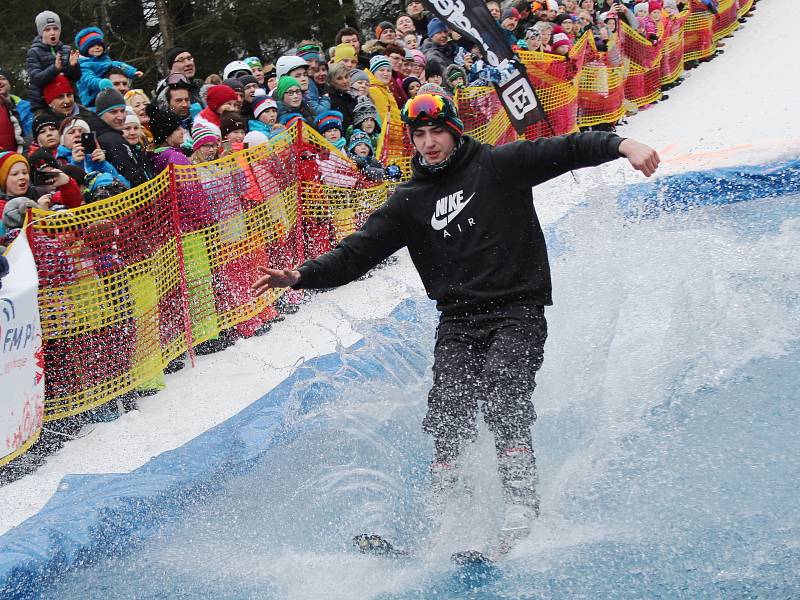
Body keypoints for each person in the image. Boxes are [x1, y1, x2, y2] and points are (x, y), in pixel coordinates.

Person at [251, 92, 660, 539]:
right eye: (420, 135)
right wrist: (298, 275)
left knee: (504, 392)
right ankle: (447, 514)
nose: (429, 143)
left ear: (454, 130)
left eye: (437, 132)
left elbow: (568, 148)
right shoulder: (409, 201)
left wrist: (622, 145)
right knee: (449, 409)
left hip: (517, 309)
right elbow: (355, 255)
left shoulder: (497, 165)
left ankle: (521, 505)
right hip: (458, 321)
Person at [26, 11, 82, 112]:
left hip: (70, 101)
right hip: (43, 104)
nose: (52, 32)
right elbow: (36, 79)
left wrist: (73, 66)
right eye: (47, 29)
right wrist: (55, 69)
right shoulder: (33, 52)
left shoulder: (66, 49)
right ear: (41, 32)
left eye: (55, 28)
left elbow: (75, 77)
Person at [73, 27, 142, 107]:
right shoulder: (83, 65)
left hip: (106, 96)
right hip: (91, 99)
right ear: (85, 49)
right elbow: (88, 78)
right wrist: (100, 83)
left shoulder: (106, 61)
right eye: (93, 46)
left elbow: (119, 65)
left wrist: (132, 71)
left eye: (99, 45)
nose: (97, 47)